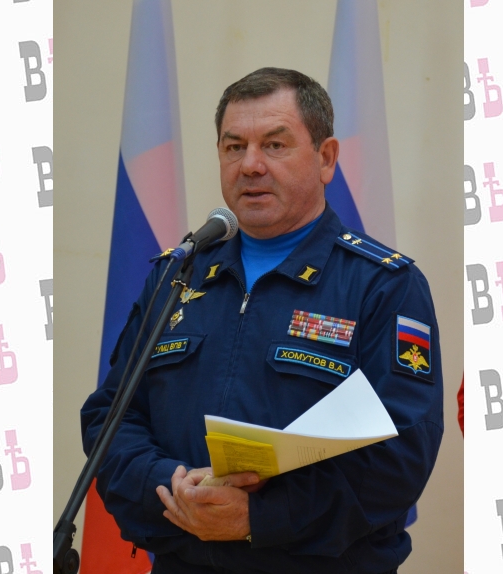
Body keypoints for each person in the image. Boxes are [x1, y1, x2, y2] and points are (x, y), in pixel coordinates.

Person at [81, 67, 443, 573]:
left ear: (325, 158)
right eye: (234, 147)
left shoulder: (382, 285)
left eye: (274, 145)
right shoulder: (177, 275)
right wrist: (172, 485)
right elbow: (112, 419)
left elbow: (402, 452)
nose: (250, 165)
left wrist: (259, 517)